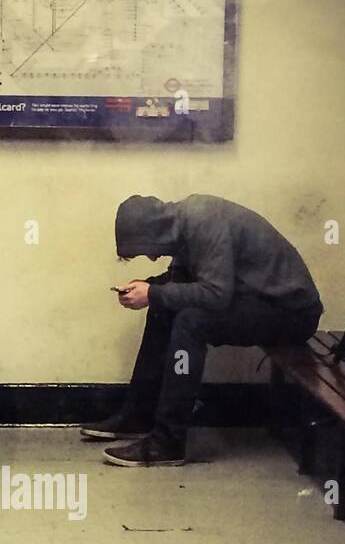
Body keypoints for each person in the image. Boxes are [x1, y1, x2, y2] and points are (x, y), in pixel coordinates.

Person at [83, 193, 324, 466]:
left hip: (291, 312)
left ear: (155, 232)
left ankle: (168, 442)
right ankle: (140, 413)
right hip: (259, 300)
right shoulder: (183, 224)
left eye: (146, 249)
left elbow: (215, 295)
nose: (151, 256)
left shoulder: (204, 223)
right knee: (164, 306)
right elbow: (183, 283)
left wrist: (153, 292)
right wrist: (149, 287)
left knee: (191, 321)